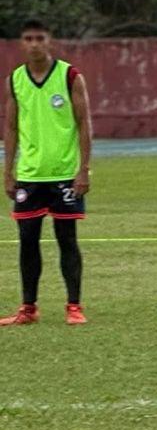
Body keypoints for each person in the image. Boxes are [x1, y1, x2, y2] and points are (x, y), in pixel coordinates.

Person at [1, 19, 91, 326]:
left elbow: (84, 124)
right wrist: (8, 172)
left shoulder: (69, 76)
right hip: (30, 175)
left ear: (49, 40)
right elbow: (10, 127)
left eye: (40, 37)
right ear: (22, 43)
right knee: (27, 240)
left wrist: (83, 170)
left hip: (64, 174)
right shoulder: (15, 80)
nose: (35, 43)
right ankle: (28, 308)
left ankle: (74, 306)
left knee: (67, 238)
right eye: (29, 38)